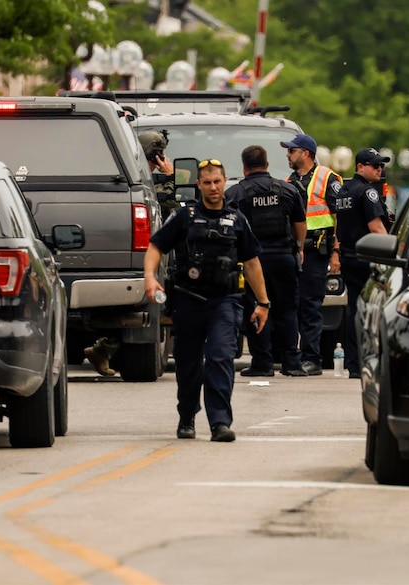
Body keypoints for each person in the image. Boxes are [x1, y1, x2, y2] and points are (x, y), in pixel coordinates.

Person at [143, 159, 270, 442]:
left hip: (224, 301)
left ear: (226, 182)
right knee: (188, 365)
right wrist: (150, 277)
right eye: (207, 183)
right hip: (188, 300)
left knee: (220, 357)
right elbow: (156, 246)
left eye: (218, 182)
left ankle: (220, 423)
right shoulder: (184, 216)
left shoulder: (238, 220)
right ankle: (187, 416)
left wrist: (263, 303)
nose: (213, 187)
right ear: (199, 185)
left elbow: (251, 263)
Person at [83, 131, 175, 377]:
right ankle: (103, 349)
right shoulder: (143, 180)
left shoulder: (126, 173)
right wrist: (169, 176)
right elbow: (168, 203)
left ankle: (102, 349)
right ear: (156, 154)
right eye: (160, 154)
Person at [225, 145, 307, 377]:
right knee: (288, 309)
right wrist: (299, 248)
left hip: (253, 261)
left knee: (256, 307)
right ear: (267, 164)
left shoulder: (236, 194)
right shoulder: (288, 190)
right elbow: (300, 224)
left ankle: (262, 362)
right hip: (284, 257)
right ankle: (292, 363)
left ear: (244, 166)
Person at [282, 133, 344, 376]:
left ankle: (312, 359)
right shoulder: (289, 180)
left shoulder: (326, 178)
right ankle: (296, 357)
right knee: (294, 305)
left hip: (317, 252)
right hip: (296, 251)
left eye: (291, 150)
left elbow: (340, 217)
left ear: (305, 153)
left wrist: (336, 252)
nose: (288, 155)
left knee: (310, 306)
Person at [329, 147, 390, 380]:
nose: (379, 169)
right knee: (371, 312)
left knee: (354, 311)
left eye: (381, 165)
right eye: (375, 165)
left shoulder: (345, 191)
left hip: (348, 257)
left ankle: (353, 364)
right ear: (360, 166)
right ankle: (367, 361)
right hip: (367, 260)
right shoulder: (367, 193)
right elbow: (377, 228)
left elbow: (339, 226)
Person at [138, 130, 178, 219]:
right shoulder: (140, 179)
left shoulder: (153, 179)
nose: (163, 156)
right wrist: (170, 175)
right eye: (159, 152)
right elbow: (171, 201)